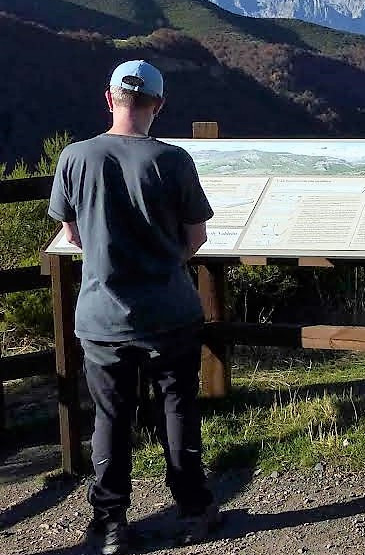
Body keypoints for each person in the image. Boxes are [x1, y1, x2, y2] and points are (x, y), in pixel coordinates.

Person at [48, 60, 221, 555]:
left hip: (102, 316)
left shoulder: (75, 158)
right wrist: (163, 260)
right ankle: (192, 510)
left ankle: (110, 525)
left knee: (111, 416)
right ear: (159, 105)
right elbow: (196, 237)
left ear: (109, 99)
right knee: (178, 409)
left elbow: (72, 233)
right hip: (169, 311)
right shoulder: (172, 160)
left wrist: (109, 257)